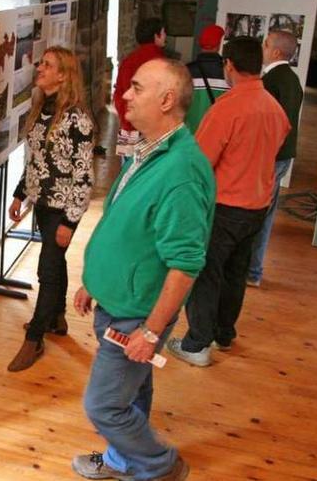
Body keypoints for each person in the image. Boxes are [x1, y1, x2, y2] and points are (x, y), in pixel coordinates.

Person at [71, 58, 215, 481]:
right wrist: (93, 281)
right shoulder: (150, 150)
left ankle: (159, 465)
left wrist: (150, 332)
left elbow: (186, 264)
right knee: (133, 392)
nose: (126, 95)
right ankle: (121, 460)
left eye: (136, 88)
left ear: (167, 100)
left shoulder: (181, 172)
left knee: (103, 405)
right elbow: (124, 222)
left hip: (137, 314)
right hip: (118, 302)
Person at [167, 37, 290, 367]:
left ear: (230, 65)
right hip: (257, 206)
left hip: (224, 206)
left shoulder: (227, 109)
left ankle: (196, 345)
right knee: (236, 273)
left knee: (206, 273)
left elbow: (201, 163)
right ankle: (224, 333)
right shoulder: (274, 108)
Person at [6, 46, 95, 372]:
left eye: (47, 65)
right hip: (41, 202)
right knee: (54, 263)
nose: (39, 68)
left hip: (62, 207)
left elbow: (85, 175)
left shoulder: (77, 119)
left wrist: (70, 222)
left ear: (63, 74)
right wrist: (19, 194)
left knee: (47, 268)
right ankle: (57, 318)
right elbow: (36, 161)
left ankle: (35, 336)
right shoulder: (40, 107)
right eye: (41, 63)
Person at [247, 30, 304, 287]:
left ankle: (252, 271)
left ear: (277, 52)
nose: (263, 47)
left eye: (266, 44)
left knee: (257, 213)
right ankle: (253, 270)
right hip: (282, 156)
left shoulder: (272, 82)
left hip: (271, 157)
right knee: (266, 213)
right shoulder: (291, 80)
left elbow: (269, 124)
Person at [113, 18, 166, 148]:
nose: (165, 36)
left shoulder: (128, 61)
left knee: (128, 166)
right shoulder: (162, 63)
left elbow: (119, 93)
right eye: (163, 32)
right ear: (156, 36)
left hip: (128, 125)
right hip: (152, 129)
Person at [184, 24, 229, 133]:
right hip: (217, 136)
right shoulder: (228, 72)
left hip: (190, 136)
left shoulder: (186, 71)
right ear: (218, 45)